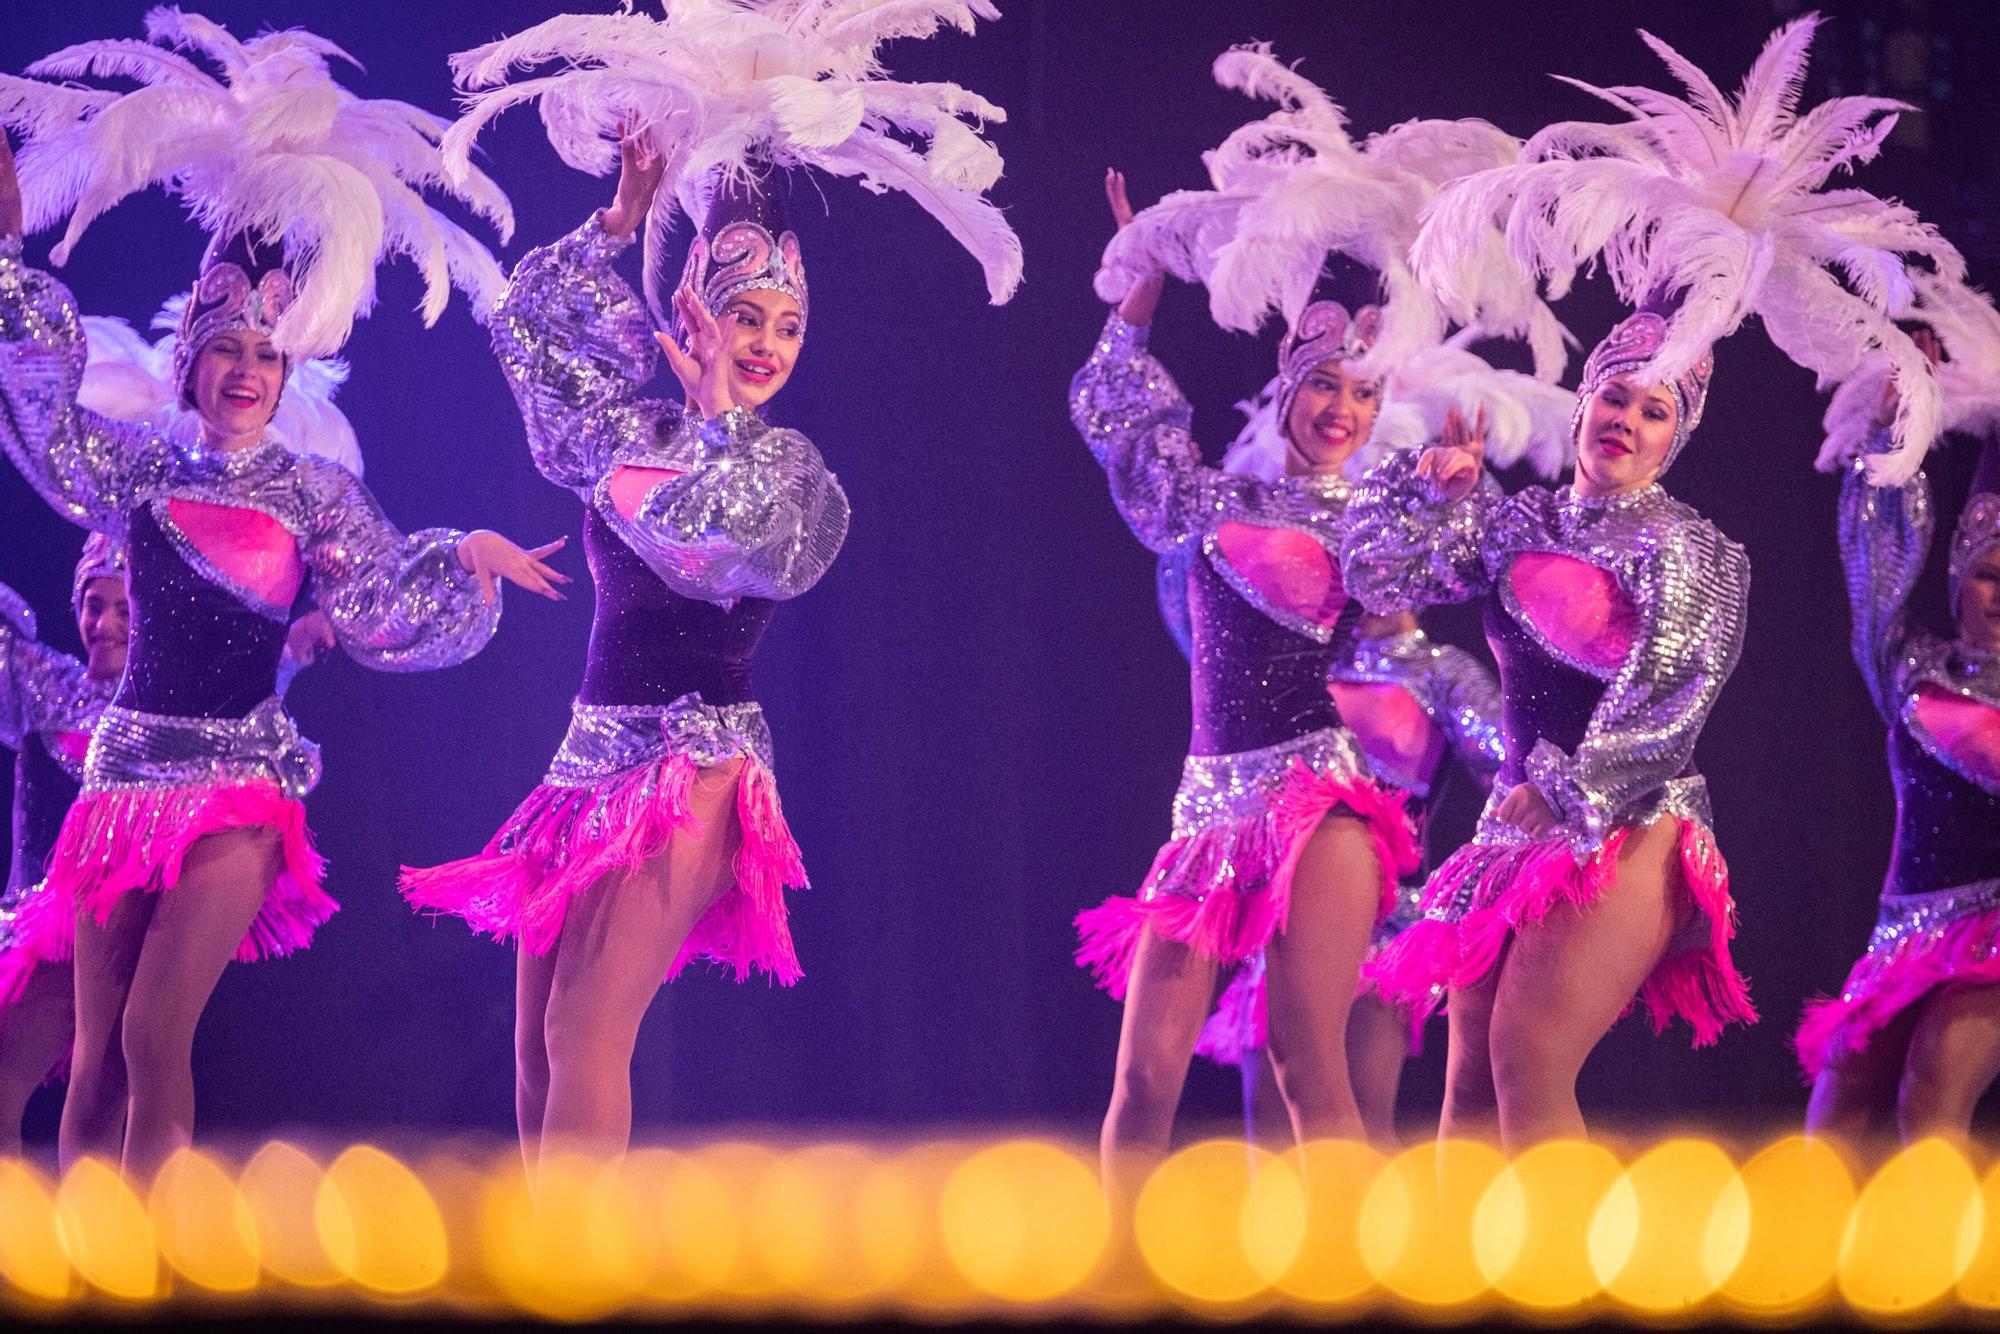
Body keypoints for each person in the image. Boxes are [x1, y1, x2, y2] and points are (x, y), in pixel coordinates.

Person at [401, 2, 1019, 1166]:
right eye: (746, 314)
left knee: (589, 1030)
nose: (768, 341)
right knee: (536, 1041)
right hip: (584, 756)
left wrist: (725, 426)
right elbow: (527, 334)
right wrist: (621, 215)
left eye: (787, 323)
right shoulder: (624, 428)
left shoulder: (787, 467)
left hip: (694, 763)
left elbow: (737, 551)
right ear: (693, 307)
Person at [0, 18, 563, 1178]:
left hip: (239, 787)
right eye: (230, 349)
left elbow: (384, 600)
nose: (249, 369)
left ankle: (153, 1264)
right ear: (193, 357)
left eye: (269, 352)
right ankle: (84, 1263)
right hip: (119, 780)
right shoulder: (143, 468)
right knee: (97, 1054)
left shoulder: (314, 492)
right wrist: (8, 267)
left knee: (158, 1031)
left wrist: (461, 555)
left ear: (289, 365)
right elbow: (44, 418)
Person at [1800, 319, 2000, 1146]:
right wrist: (1894, 433)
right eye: (1990, 573)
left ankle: (1947, 1277)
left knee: (1933, 1088)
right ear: (1959, 579)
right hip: (1905, 932)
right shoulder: (1911, 668)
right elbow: (1875, 566)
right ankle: (1812, 1275)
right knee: (1837, 1112)